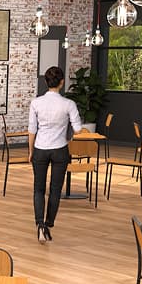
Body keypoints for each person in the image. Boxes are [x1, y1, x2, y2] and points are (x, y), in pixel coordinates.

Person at [28, 66, 84, 244]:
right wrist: (69, 133)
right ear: (62, 82)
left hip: (40, 148)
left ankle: (39, 225)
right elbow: (78, 129)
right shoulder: (69, 104)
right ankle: (48, 224)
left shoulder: (36, 103)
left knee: (38, 189)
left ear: (46, 82)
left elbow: (32, 130)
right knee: (55, 189)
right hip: (60, 150)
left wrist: (31, 151)